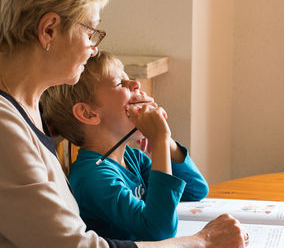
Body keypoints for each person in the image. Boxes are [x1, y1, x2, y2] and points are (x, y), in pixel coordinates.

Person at [0, 0, 248, 247]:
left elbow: (196, 189)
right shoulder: (6, 127)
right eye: (90, 32)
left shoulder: (30, 108)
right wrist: (202, 242)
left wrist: (163, 141)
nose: (93, 48)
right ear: (49, 30)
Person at [40, 51, 209, 241]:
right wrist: (159, 139)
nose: (136, 84)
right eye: (120, 83)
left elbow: (195, 190)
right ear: (88, 114)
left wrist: (167, 143)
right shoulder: (92, 177)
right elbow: (158, 230)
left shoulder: (132, 158)